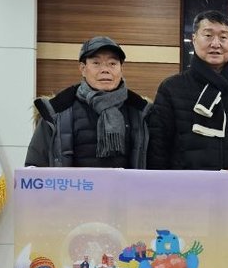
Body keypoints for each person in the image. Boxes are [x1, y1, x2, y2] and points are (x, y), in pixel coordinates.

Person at [147, 10, 228, 170]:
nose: (216, 44)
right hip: (184, 184)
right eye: (208, 35)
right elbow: (158, 150)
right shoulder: (171, 89)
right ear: (194, 39)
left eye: (223, 37)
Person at [25, 35, 149, 168]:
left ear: (121, 69)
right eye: (96, 63)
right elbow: (35, 166)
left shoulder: (141, 112)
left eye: (112, 64)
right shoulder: (56, 112)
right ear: (83, 69)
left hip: (126, 183)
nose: (105, 70)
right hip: (73, 182)